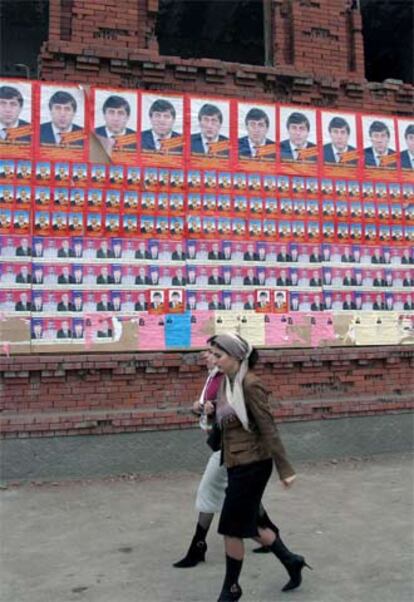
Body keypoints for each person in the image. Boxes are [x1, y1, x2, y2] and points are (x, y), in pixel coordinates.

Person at [206, 333, 310, 601]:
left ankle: (231, 589)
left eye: (219, 355)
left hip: (253, 465)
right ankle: (291, 560)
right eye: (212, 355)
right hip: (234, 461)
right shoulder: (226, 383)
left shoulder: (251, 384)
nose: (213, 360)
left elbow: (269, 429)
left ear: (237, 356)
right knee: (248, 525)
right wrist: (207, 413)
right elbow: (225, 421)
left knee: (231, 527)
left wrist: (285, 470)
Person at [173, 345, 277, 570]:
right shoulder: (213, 377)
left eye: (213, 353)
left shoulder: (231, 379)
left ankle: (198, 547)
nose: (206, 355)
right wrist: (199, 408)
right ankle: (279, 544)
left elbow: (239, 411)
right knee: (247, 497)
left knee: (208, 493)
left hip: (230, 448)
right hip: (222, 445)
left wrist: (214, 408)